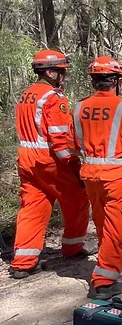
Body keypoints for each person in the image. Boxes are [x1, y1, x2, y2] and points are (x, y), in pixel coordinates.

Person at [68, 56, 122, 299]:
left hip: (89, 174)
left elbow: (73, 146)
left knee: (101, 222)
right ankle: (104, 280)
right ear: (116, 81)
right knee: (117, 226)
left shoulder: (79, 107)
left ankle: (105, 263)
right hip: (115, 175)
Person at [9, 50, 91, 279]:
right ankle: (73, 247)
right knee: (77, 199)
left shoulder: (26, 94)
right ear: (50, 71)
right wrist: (73, 163)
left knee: (33, 206)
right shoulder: (53, 97)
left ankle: (23, 262)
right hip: (50, 159)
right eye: (61, 71)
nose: (64, 75)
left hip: (26, 158)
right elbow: (58, 136)